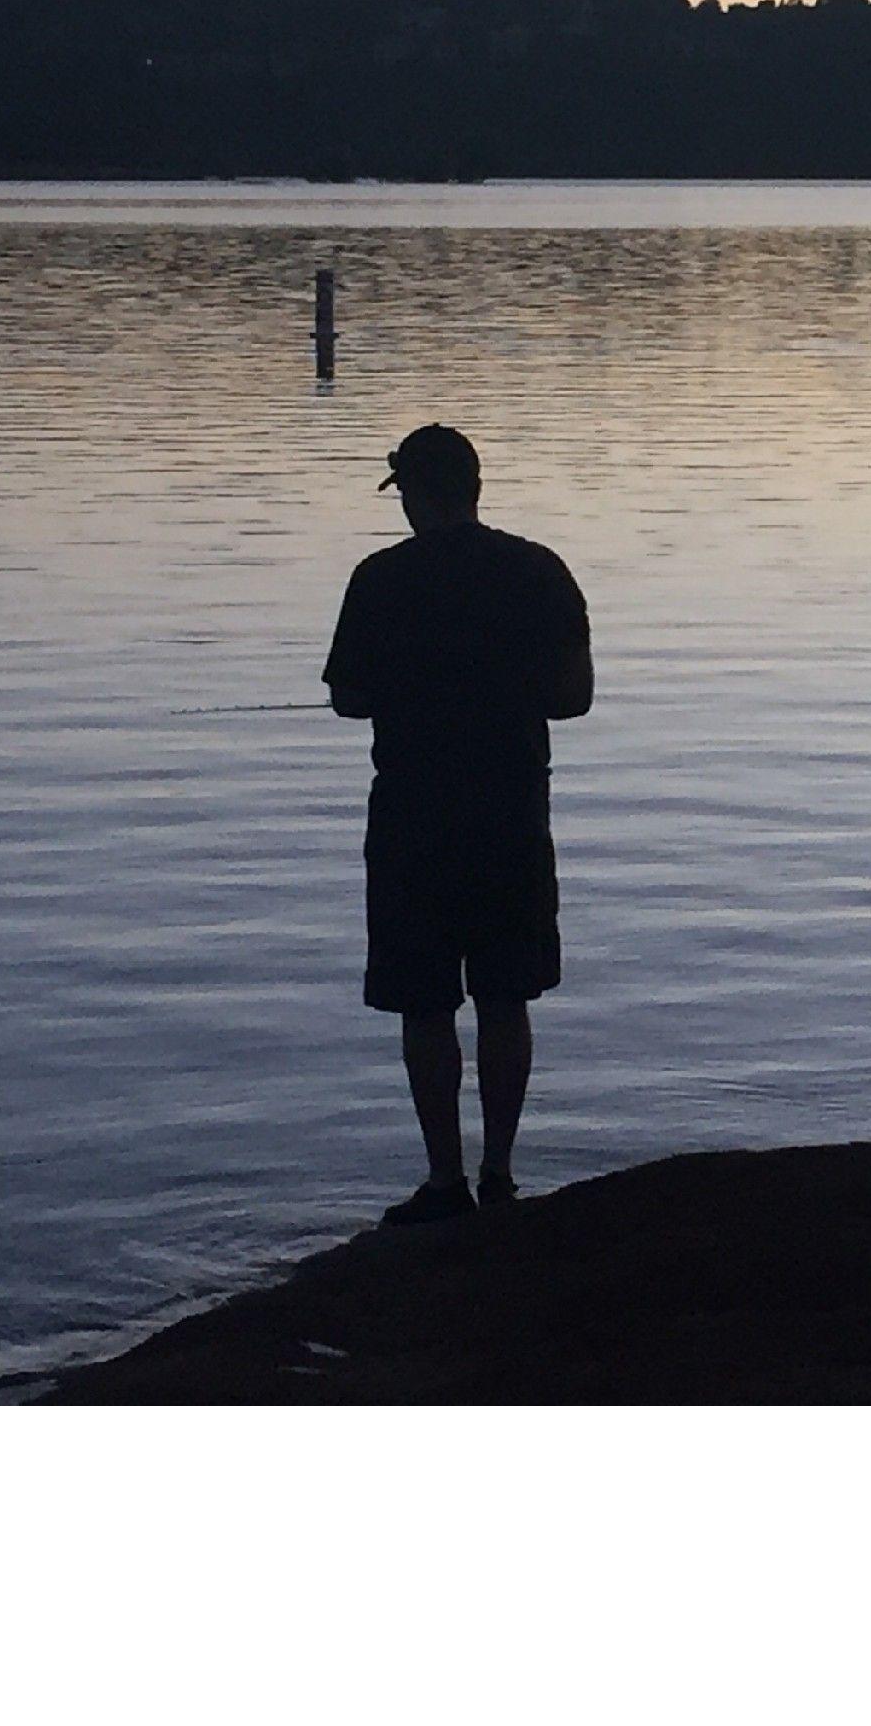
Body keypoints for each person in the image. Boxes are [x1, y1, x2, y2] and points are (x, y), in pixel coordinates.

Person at [323, 425, 593, 1225]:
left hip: (414, 821)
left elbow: (348, 698)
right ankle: (501, 1177)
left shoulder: (379, 579)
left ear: (413, 495)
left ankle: (445, 1183)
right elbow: (573, 699)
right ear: (475, 488)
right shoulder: (540, 571)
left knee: (425, 1002)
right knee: (506, 997)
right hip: (510, 815)